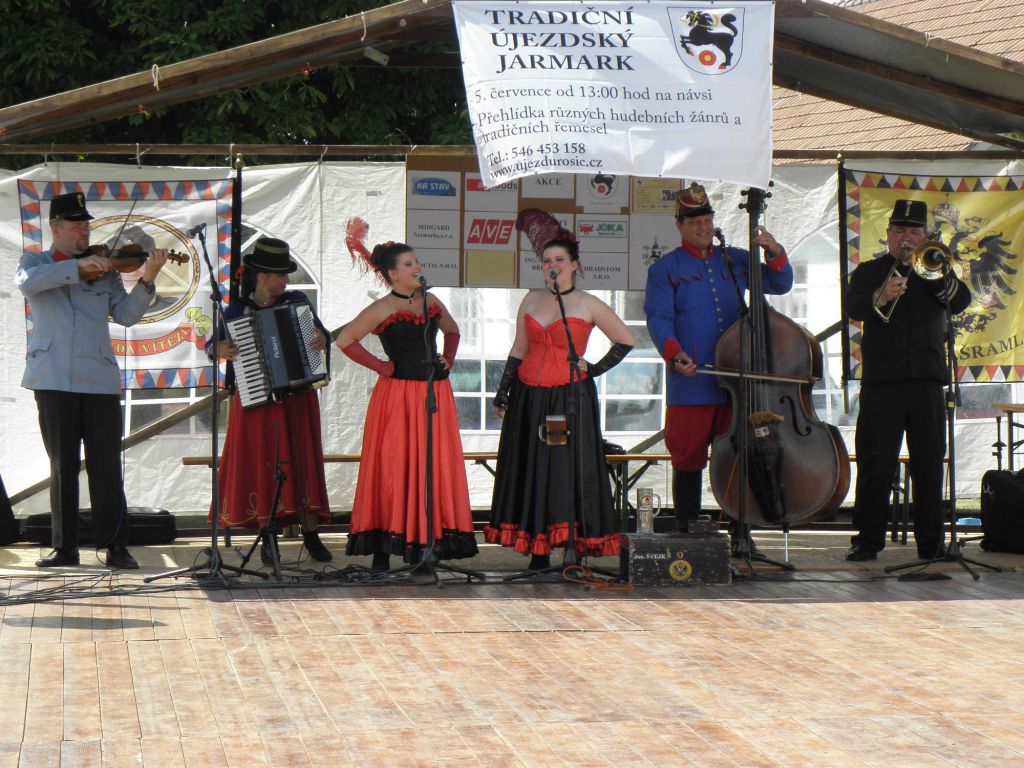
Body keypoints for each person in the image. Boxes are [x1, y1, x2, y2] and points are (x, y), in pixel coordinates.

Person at [16, 192, 169, 568]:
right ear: (56, 228)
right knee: (62, 465)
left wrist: (147, 280)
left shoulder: (108, 271)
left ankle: (116, 545)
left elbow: (127, 316)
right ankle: (64, 547)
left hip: (98, 379)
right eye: (76, 226)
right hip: (52, 378)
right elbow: (28, 284)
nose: (84, 231)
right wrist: (77, 268)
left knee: (106, 465)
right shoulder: (35, 262)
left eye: (86, 225)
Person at [486, 208, 634, 571]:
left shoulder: (587, 303)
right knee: (532, 467)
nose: (552, 266)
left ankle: (571, 547)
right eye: (547, 261)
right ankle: (538, 550)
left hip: (568, 397)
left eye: (559, 260)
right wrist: (503, 389)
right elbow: (519, 347)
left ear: (573, 265)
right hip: (529, 396)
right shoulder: (531, 298)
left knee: (566, 469)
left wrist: (593, 368)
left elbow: (625, 340)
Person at [644, 182, 792, 539]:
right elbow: (659, 319)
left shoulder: (735, 258)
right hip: (692, 381)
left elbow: (780, 284)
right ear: (679, 225)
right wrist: (674, 354)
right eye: (695, 222)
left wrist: (774, 251)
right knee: (688, 457)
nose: (703, 227)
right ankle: (687, 533)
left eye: (707, 220)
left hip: (737, 382)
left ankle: (742, 535)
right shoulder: (665, 268)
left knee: (742, 455)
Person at [338, 236, 477, 571]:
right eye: (409, 264)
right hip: (398, 396)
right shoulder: (382, 308)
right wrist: (380, 366)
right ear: (392, 274)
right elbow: (345, 340)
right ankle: (383, 550)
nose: (418, 268)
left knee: (432, 466)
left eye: (417, 262)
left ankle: (426, 547)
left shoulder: (431, 301)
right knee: (394, 466)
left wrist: (448, 359)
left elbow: (453, 331)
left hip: (434, 393)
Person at [845, 199, 970, 561]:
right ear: (888, 234)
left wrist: (940, 273)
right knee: (876, 462)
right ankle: (867, 541)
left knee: (929, 464)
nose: (906, 237)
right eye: (899, 230)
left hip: (926, 381)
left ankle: (931, 545)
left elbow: (961, 301)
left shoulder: (935, 269)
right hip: (882, 382)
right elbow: (853, 307)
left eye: (914, 231)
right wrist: (881, 294)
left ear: (925, 236)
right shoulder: (870, 271)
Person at [209, 237, 333, 563]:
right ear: (262, 276)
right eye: (281, 275)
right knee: (265, 466)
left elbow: (322, 334)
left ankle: (311, 535)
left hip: (298, 398)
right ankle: (269, 539)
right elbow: (212, 345)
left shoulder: (297, 301)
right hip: (258, 401)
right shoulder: (237, 310)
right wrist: (219, 349)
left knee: (302, 463)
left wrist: (321, 339)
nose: (286, 281)